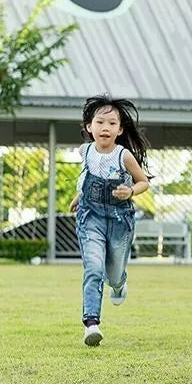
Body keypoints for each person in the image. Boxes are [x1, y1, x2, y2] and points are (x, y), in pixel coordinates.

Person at [69, 95, 151, 347]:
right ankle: (91, 324)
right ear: (88, 126)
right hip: (90, 215)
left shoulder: (123, 156)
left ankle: (118, 284)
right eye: (100, 122)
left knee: (113, 275)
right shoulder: (85, 152)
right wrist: (78, 197)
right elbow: (87, 179)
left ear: (120, 129)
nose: (105, 128)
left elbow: (143, 182)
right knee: (93, 268)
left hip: (118, 218)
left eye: (112, 123)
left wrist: (131, 192)